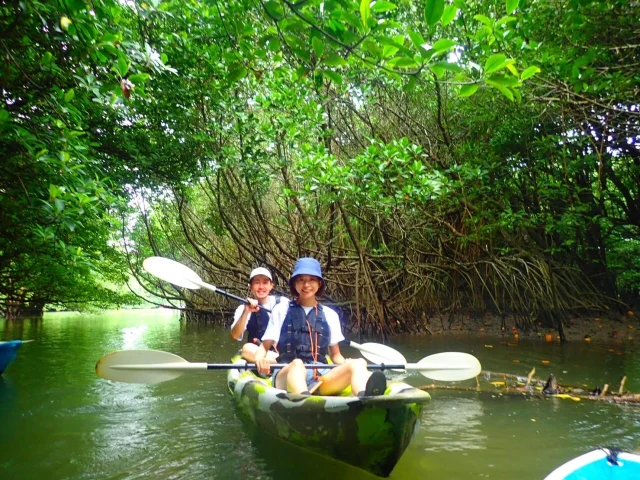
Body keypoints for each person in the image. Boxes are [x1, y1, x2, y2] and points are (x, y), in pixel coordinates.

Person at [254, 257, 386, 397]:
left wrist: (346, 363)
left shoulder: (330, 314)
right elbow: (264, 347)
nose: (306, 285)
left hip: (320, 377)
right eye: (301, 280)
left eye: (311, 279)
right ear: (294, 284)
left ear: (319, 283)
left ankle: (365, 397)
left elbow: (335, 355)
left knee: (358, 363)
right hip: (286, 373)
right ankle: (305, 401)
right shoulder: (281, 309)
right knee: (297, 364)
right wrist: (259, 359)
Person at [230, 267, 283, 363]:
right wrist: (246, 311)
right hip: (257, 353)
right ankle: (280, 361)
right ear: (250, 287)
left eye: (265, 282)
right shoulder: (243, 309)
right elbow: (235, 335)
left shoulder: (283, 303)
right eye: (257, 282)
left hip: (282, 352)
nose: (261, 287)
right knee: (246, 348)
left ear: (271, 286)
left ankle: (281, 360)